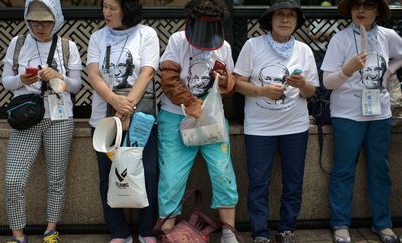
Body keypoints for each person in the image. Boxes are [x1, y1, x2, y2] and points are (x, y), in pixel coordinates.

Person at [234, 0, 319, 242]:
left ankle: (287, 229)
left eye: (290, 16)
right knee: (259, 182)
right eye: (279, 15)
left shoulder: (304, 50)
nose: (285, 19)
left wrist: (302, 85)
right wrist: (261, 91)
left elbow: (312, 91)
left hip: (295, 126)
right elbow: (237, 82)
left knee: (293, 180)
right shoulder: (253, 45)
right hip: (259, 128)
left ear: (296, 21)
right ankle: (259, 233)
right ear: (270, 20)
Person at [157, 0, 241, 242]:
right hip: (175, 116)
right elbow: (168, 78)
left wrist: (225, 80)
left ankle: (228, 231)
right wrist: (191, 102)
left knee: (222, 171)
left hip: (212, 118)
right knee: (172, 176)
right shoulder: (177, 40)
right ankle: (167, 232)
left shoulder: (223, 46)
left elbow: (230, 84)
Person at [320, 0, 402, 242]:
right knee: (343, 169)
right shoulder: (340, 39)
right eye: (356, 5)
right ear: (350, 11)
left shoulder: (388, 35)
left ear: (378, 10)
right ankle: (340, 224)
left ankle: (382, 223)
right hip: (347, 114)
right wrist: (348, 69)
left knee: (380, 169)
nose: (361, 11)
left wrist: (389, 71)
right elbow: (327, 82)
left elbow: (400, 56)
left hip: (380, 112)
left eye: (368, 5)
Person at [2, 0, 82, 242]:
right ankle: (18, 234)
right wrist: (21, 80)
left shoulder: (68, 45)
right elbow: (6, 80)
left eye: (45, 21)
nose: (39, 27)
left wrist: (59, 75)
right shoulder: (17, 43)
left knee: (56, 177)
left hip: (60, 118)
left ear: (56, 19)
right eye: (34, 20)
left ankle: (50, 229)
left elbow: (77, 86)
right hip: (26, 118)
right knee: (13, 179)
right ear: (27, 18)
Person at [86, 0, 160, 242]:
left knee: (148, 172)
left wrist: (125, 107)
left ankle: (146, 229)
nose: (106, 12)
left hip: (141, 119)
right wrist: (113, 100)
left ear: (127, 9)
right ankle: (118, 232)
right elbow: (93, 73)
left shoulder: (146, 34)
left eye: (112, 8)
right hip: (104, 119)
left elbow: (147, 72)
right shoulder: (98, 37)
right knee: (108, 176)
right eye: (104, 6)